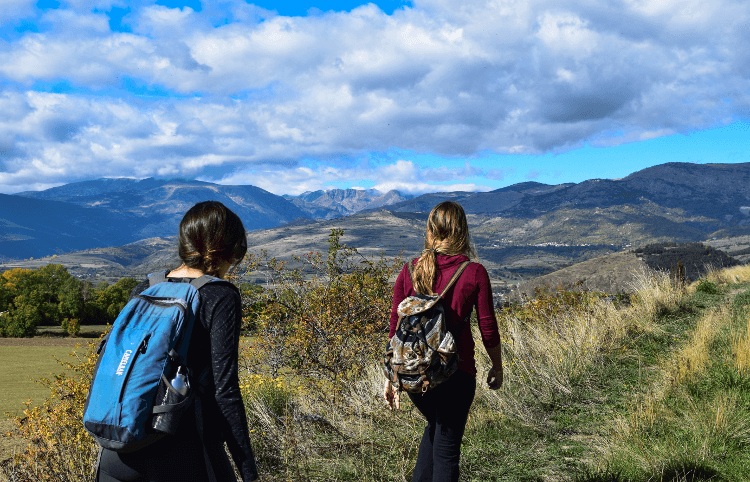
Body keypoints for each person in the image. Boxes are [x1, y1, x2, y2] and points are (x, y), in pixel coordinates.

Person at [96, 201, 259, 482]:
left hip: (117, 449)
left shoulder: (146, 288)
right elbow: (225, 390)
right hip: (183, 449)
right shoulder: (220, 296)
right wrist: (248, 470)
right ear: (229, 248)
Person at [384, 200, 503, 482]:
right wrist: (497, 367)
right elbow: (488, 328)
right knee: (447, 452)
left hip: (416, 375)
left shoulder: (410, 269)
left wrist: (391, 377)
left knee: (435, 431)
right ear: (462, 231)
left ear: (429, 231)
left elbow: (396, 325)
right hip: (456, 374)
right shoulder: (473, 272)